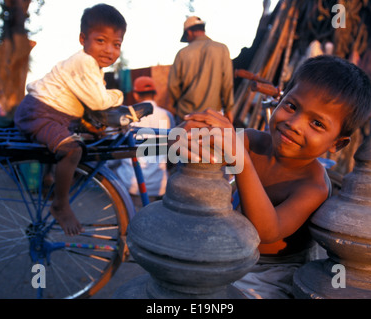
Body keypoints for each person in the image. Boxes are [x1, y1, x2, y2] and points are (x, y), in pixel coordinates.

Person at [180, 55, 371, 298]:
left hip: (270, 274)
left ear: (337, 143)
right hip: (226, 253)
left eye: (316, 123)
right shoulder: (254, 142)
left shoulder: (313, 185)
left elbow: (267, 231)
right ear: (280, 100)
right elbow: (206, 141)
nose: (294, 123)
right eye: (291, 106)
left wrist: (241, 161)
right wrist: (190, 132)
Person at [14, 4, 151, 236]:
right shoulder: (84, 62)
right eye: (101, 41)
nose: (109, 50)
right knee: (72, 151)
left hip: (56, 114)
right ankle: (60, 204)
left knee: (90, 139)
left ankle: (55, 181)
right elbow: (99, 102)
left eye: (116, 44)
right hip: (39, 112)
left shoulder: (93, 67)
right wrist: (119, 97)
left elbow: (88, 106)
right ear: (83, 39)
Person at [111, 76, 174, 210]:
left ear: (135, 94)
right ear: (155, 94)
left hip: (131, 183)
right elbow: (172, 149)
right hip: (159, 184)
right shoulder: (167, 115)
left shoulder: (126, 117)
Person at [167, 16, 234, 124]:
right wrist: (228, 109)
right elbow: (227, 83)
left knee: (185, 141)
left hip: (187, 115)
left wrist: (178, 105)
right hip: (213, 116)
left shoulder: (182, 53)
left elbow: (172, 85)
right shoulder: (221, 49)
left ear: (189, 33)